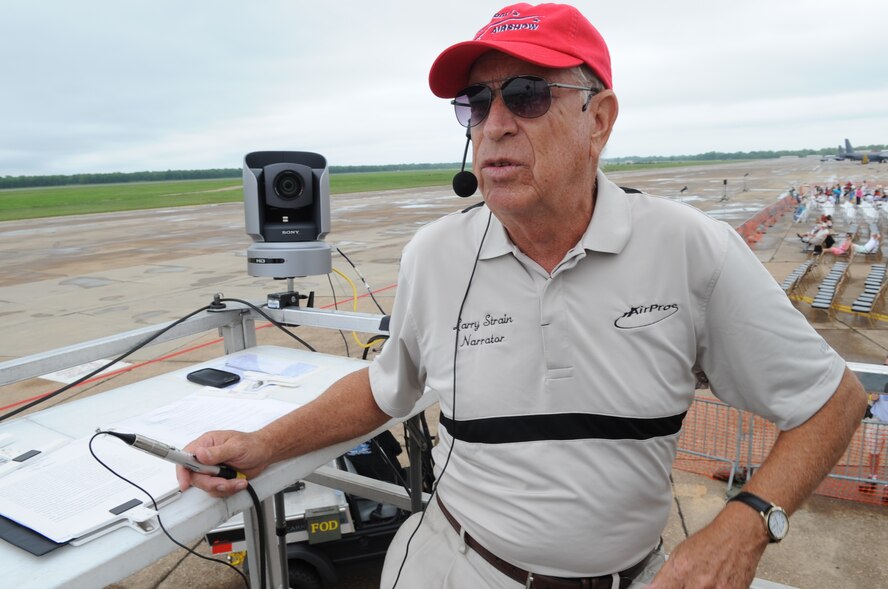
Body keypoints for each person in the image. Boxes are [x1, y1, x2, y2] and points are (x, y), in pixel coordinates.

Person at [177, 4, 867, 588]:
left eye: (526, 95)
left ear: (599, 119)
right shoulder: (435, 256)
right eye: (476, 103)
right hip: (457, 565)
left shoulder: (693, 250)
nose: (494, 123)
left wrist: (747, 523)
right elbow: (385, 390)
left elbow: (832, 402)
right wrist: (261, 443)